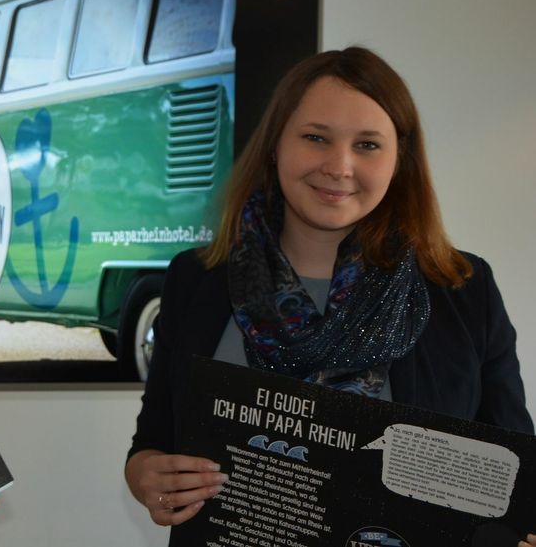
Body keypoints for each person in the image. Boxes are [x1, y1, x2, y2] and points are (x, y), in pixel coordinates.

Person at [124, 47, 534, 545]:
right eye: (316, 137)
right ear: (276, 144)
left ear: (399, 159)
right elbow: (153, 443)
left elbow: (512, 473)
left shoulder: (463, 289)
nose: (339, 166)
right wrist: (147, 475)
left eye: (367, 145)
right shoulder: (197, 278)